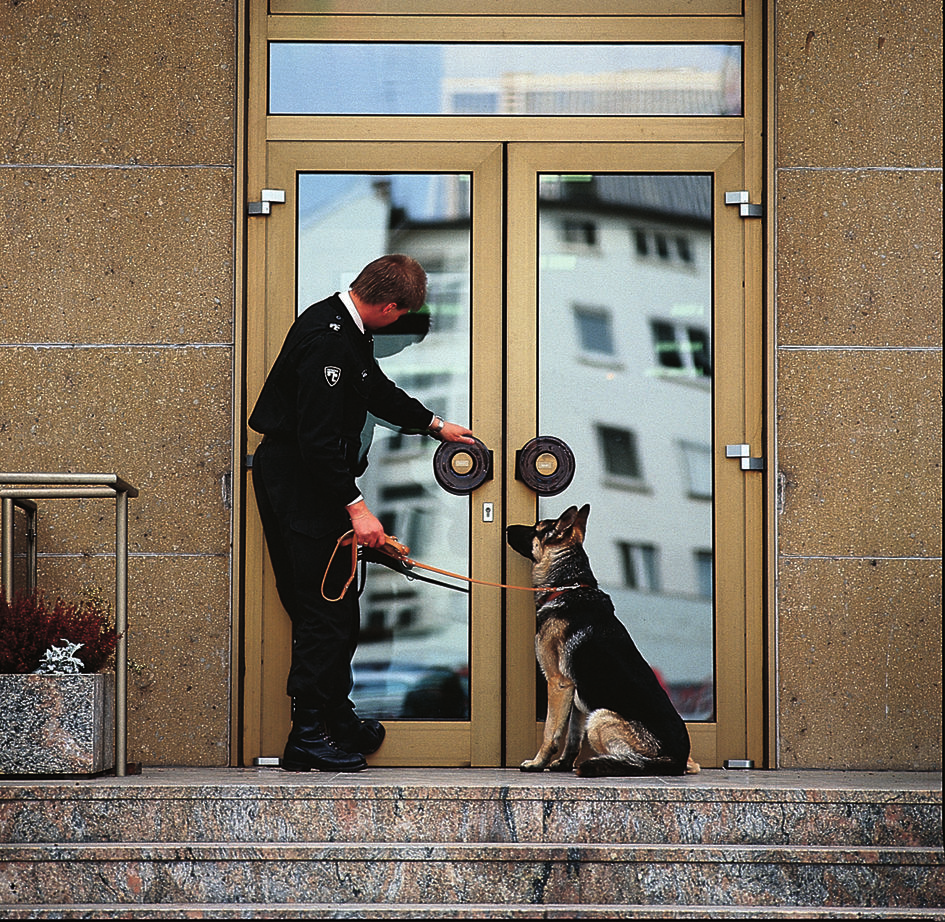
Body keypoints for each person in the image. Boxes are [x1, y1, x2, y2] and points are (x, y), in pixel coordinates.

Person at [249, 254, 474, 772]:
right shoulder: (327, 340)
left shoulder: (343, 329)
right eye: (402, 317)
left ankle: (335, 715)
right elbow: (318, 442)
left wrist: (434, 425)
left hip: (310, 481)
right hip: (304, 484)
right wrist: (358, 509)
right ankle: (306, 736)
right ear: (388, 305)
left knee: (340, 607)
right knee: (324, 611)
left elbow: (373, 389)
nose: (399, 325)